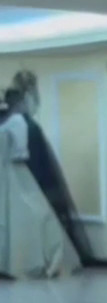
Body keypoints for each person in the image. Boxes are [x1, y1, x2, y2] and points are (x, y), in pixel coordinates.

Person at [0, 87, 82, 279]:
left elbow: (19, 151)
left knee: (26, 214)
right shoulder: (12, 122)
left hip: (13, 172)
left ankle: (29, 259)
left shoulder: (17, 121)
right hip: (8, 173)